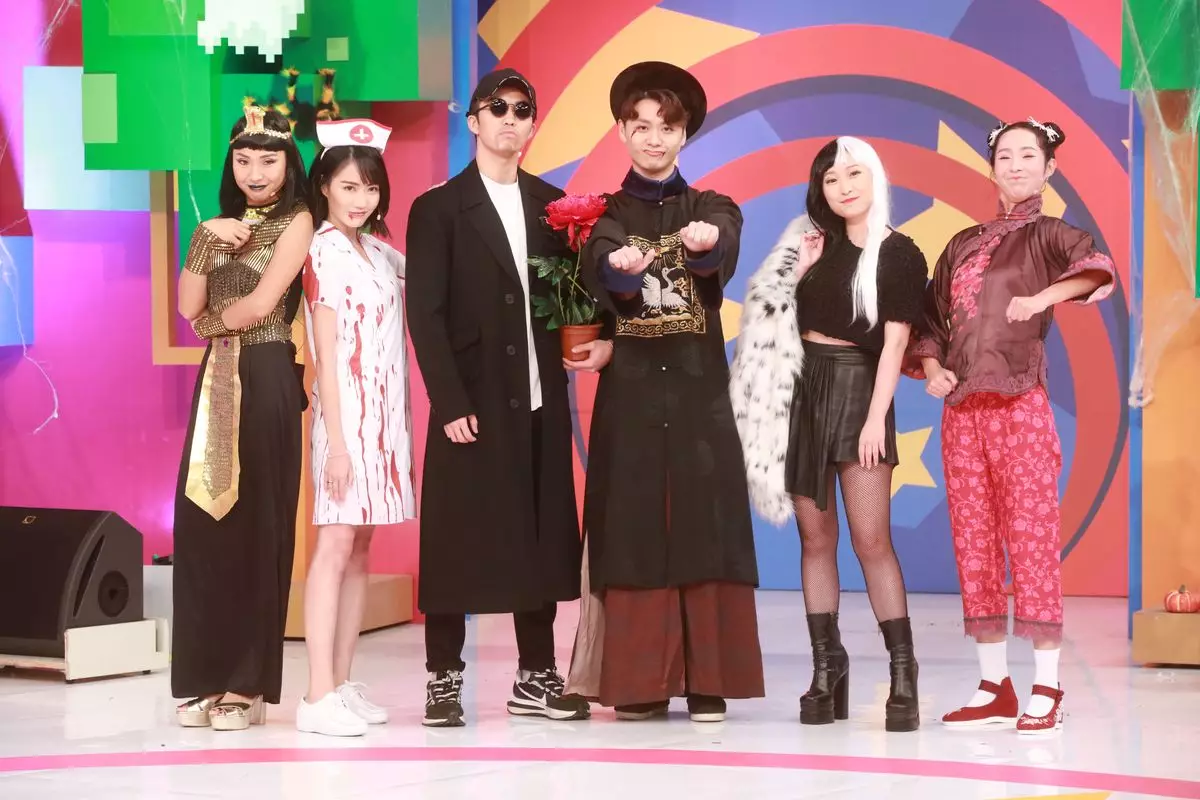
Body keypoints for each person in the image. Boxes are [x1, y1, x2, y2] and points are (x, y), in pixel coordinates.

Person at [404, 68, 612, 727]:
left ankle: (535, 675)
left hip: (540, 398)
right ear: (474, 120)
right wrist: (449, 401)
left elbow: (578, 295)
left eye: (523, 110)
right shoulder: (439, 208)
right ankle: (443, 677)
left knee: (539, 534)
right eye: (498, 108)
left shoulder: (553, 206)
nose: (510, 119)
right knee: (453, 537)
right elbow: (425, 314)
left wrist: (593, 334)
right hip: (471, 399)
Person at [906, 119, 1115, 735]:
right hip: (962, 411)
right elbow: (930, 321)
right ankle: (993, 685)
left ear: (1049, 169)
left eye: (1029, 155)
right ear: (991, 167)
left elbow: (1097, 270)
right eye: (1005, 156)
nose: (1016, 165)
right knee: (974, 543)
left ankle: (1047, 685)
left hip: (1020, 406)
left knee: (1031, 541)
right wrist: (934, 369)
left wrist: (1043, 299)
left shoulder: (1050, 234)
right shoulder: (962, 242)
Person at [575, 61, 764, 723]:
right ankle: (639, 682)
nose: (654, 139)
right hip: (629, 402)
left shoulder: (711, 206)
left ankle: (709, 680)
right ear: (622, 131)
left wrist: (707, 247)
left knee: (705, 526)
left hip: (698, 398)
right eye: (642, 126)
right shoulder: (602, 217)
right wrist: (619, 270)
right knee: (632, 529)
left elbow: (722, 249)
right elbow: (602, 269)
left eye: (667, 128)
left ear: (684, 136)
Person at [730, 137, 928, 732]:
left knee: (871, 540)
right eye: (831, 178)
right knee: (815, 539)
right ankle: (827, 667)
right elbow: (773, 324)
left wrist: (874, 418)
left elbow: (895, 345)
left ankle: (902, 672)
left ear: (875, 178)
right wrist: (801, 272)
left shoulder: (900, 252)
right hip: (804, 389)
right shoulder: (813, 243)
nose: (843, 187)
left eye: (853, 174)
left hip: (860, 389)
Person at [172, 105, 314, 731]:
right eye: (244, 159)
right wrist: (203, 243)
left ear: (288, 163)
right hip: (218, 376)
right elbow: (185, 305)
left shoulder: (299, 218)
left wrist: (209, 325)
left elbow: (258, 305)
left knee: (259, 524)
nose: (255, 171)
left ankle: (247, 683)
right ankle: (206, 675)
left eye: (269, 159)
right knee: (204, 521)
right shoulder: (218, 226)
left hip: (266, 369)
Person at [295, 118, 416, 737]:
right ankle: (316, 694)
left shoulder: (377, 250)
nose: (361, 199)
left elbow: (428, 273)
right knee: (335, 545)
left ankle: (340, 684)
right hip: (346, 424)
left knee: (361, 546)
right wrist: (338, 445)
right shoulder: (323, 250)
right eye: (348, 186)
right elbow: (325, 351)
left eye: (370, 188)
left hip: (384, 424)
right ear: (324, 186)